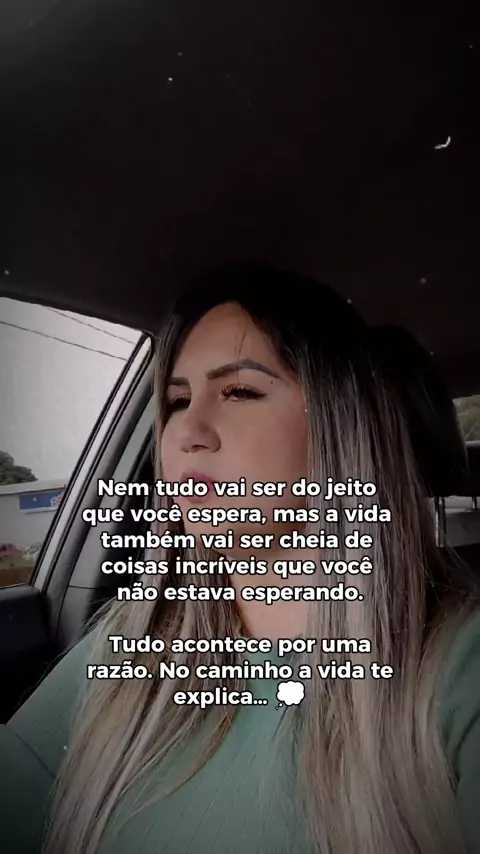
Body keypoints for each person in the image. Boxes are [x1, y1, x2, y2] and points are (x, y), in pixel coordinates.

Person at [1, 263, 479, 854]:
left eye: (240, 391)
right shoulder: (133, 639)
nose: (188, 432)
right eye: (177, 401)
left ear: (340, 426)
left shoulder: (457, 668)